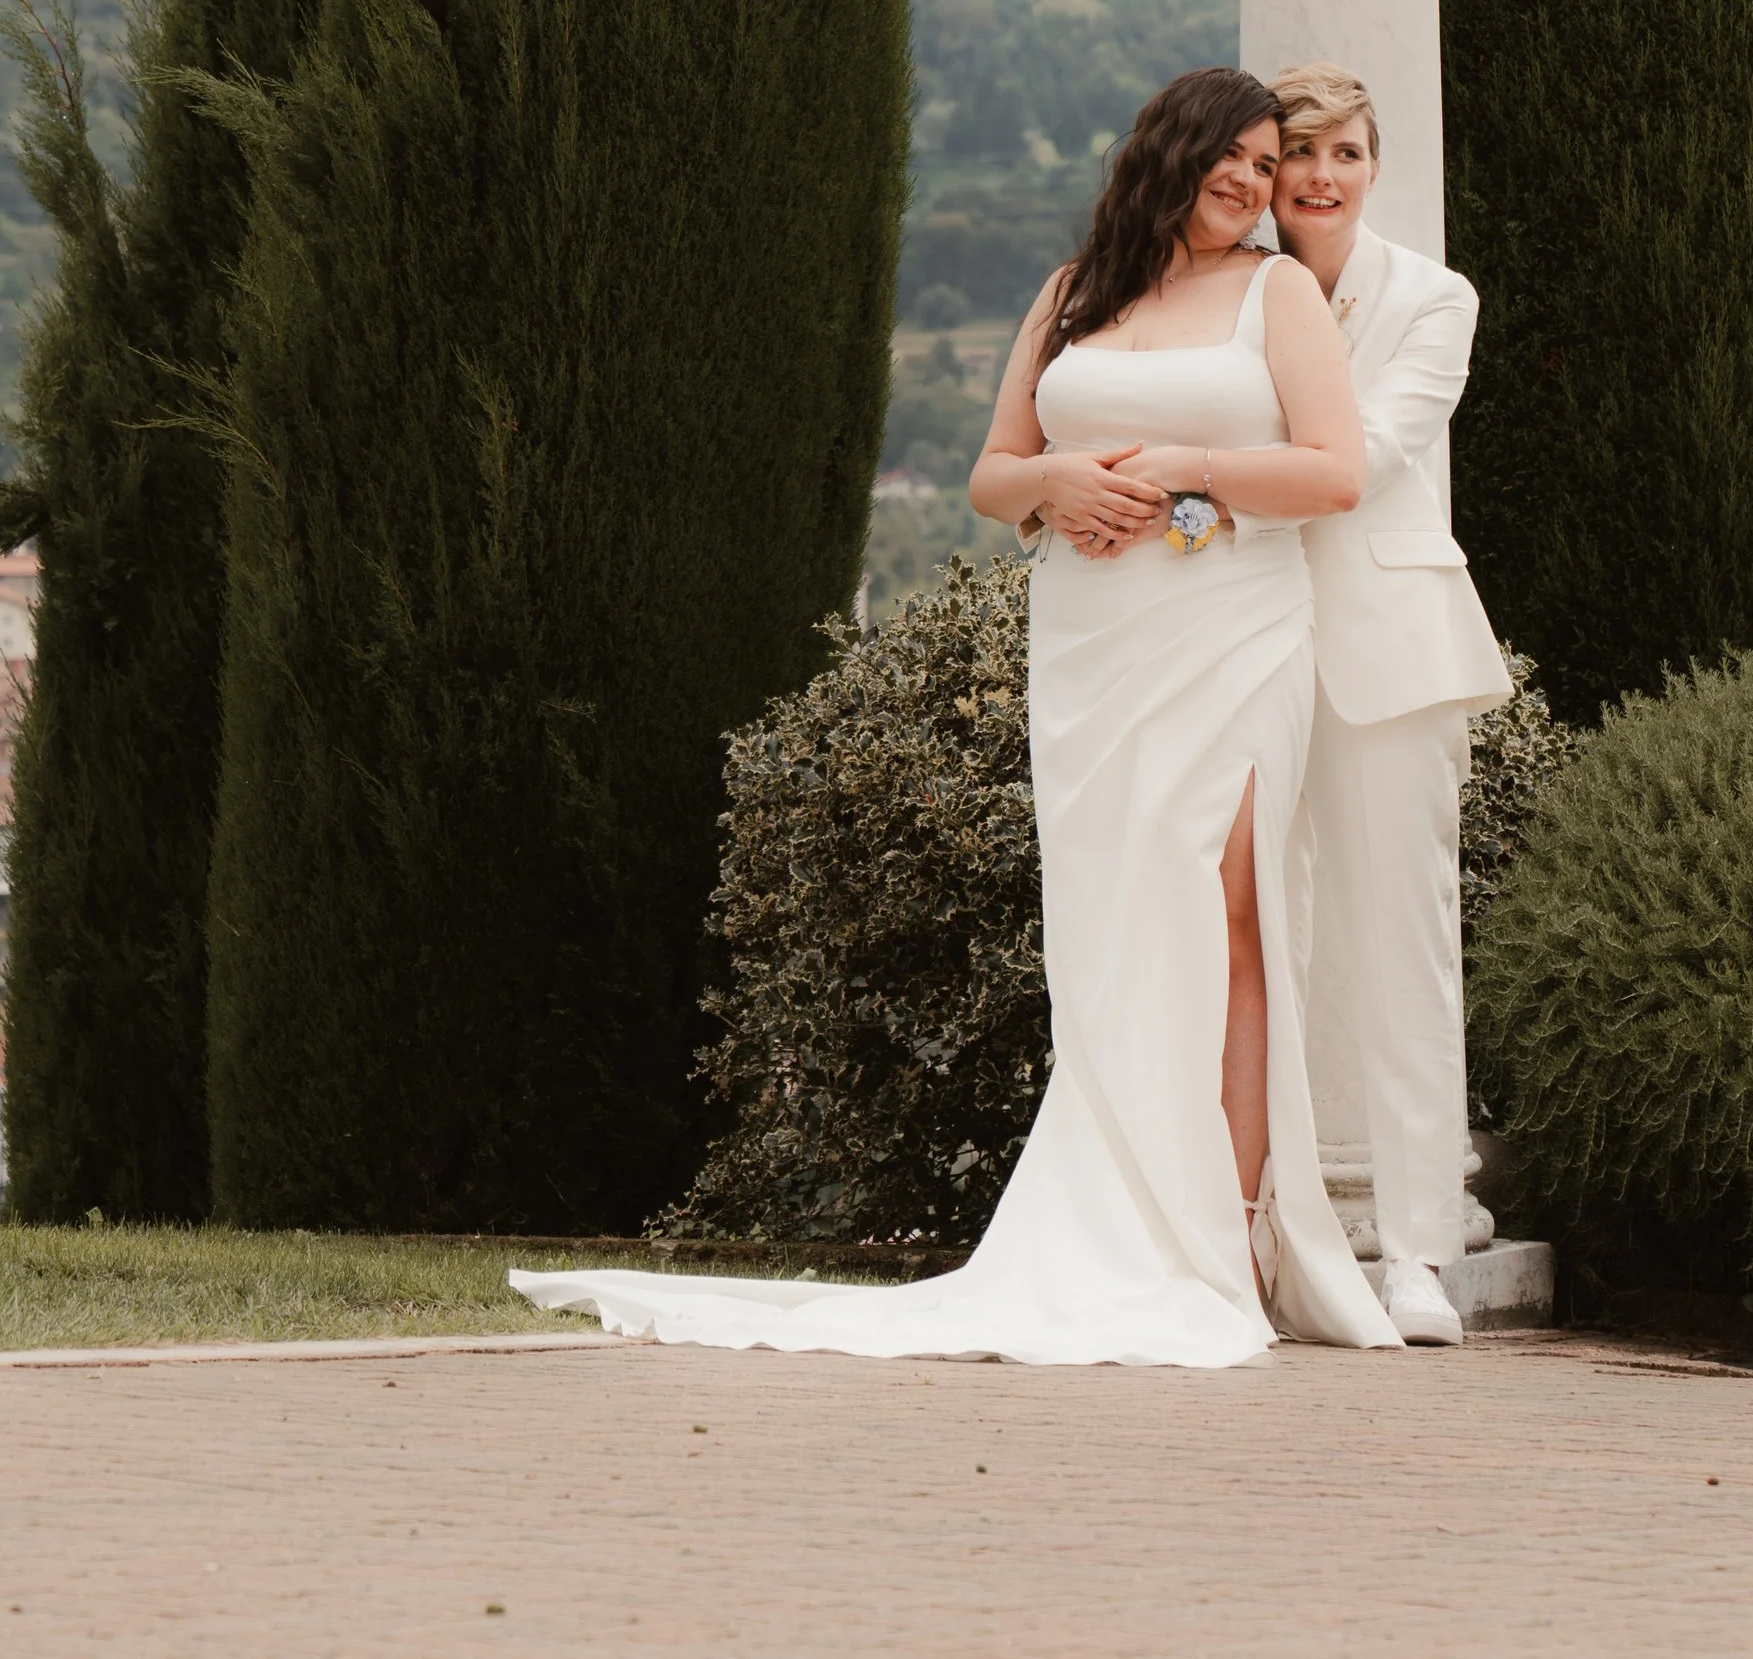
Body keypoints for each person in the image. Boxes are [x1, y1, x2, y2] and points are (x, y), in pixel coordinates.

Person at [512, 68, 1401, 1367]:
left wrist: (1186, 470)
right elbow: (993, 475)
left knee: (1228, 909)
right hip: (1093, 641)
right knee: (1113, 923)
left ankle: (1236, 1235)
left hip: (1230, 623)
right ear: (1172, 150)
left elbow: (1334, 472)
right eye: (1237, 155)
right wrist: (1056, 484)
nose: (1254, 182)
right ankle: (1124, 1218)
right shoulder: (1073, 292)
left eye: (1270, 166)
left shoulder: (1277, 295)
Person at [1269, 59, 1511, 1350]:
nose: (1322, 177)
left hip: (1391, 649)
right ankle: (1268, 1237)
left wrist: (1194, 476)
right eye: (1299, 153)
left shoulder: (1433, 297)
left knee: (1404, 948)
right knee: (1254, 944)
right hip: (1236, 639)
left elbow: (1361, 460)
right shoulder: (1220, 288)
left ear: (1374, 166)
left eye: (1345, 154)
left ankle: (1417, 1253)